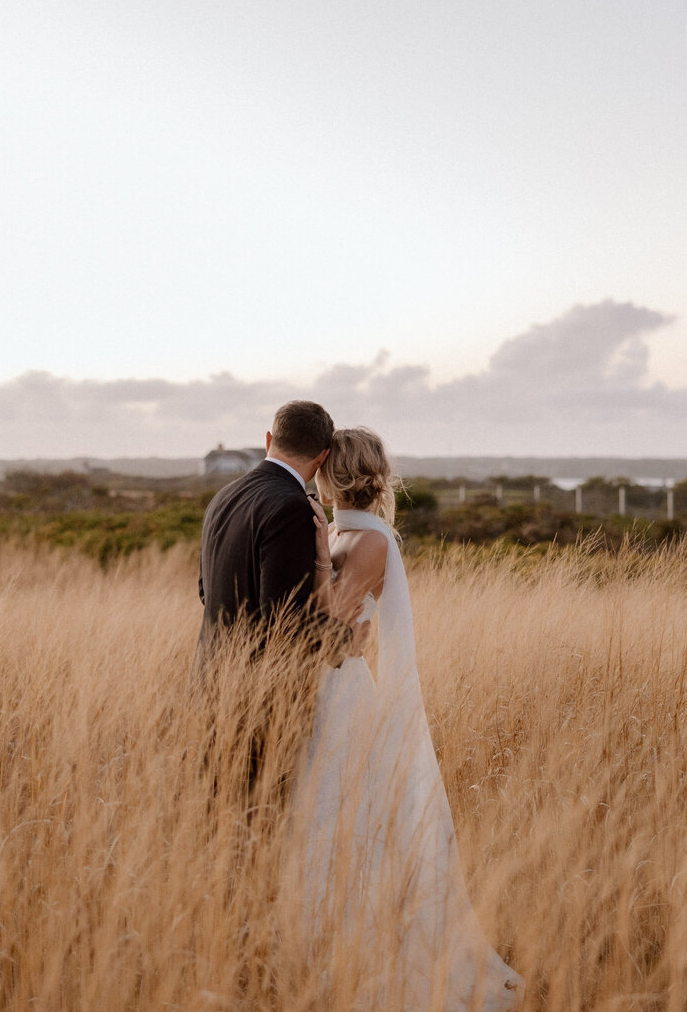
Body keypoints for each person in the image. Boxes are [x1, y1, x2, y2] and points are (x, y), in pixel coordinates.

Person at [298, 427, 523, 1011]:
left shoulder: (369, 541)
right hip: (323, 685)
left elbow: (333, 624)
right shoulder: (345, 528)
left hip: (343, 691)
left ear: (330, 472)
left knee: (350, 819)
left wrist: (321, 557)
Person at [196, 400, 360, 795]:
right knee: (263, 824)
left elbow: (207, 592)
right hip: (263, 703)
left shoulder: (224, 496)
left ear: (269, 440)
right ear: (322, 458)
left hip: (210, 685)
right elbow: (284, 618)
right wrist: (346, 640)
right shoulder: (291, 507)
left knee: (220, 827)